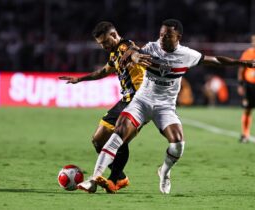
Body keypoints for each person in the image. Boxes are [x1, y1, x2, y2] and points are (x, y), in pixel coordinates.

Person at [77, 19, 255, 194]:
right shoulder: (152, 48)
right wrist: (134, 56)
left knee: (178, 144)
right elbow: (134, 51)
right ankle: (94, 179)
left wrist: (242, 63)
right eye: (161, 35)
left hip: (165, 107)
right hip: (141, 102)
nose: (162, 39)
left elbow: (216, 59)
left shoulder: (187, 55)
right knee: (118, 134)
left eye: (167, 36)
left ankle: (164, 171)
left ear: (178, 36)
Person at [59, 21, 145, 193]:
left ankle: (112, 180)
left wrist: (133, 55)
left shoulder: (126, 46)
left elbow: (134, 51)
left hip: (139, 100)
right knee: (98, 139)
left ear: (114, 35)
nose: (104, 46)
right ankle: (120, 177)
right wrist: (80, 79)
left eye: (105, 42)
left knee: (120, 139)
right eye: (101, 44)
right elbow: (103, 72)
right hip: (125, 100)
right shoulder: (114, 54)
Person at [238, 34, 255, 143]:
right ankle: (245, 134)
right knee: (248, 109)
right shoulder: (248, 53)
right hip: (249, 86)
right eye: (253, 40)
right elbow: (241, 69)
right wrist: (240, 84)